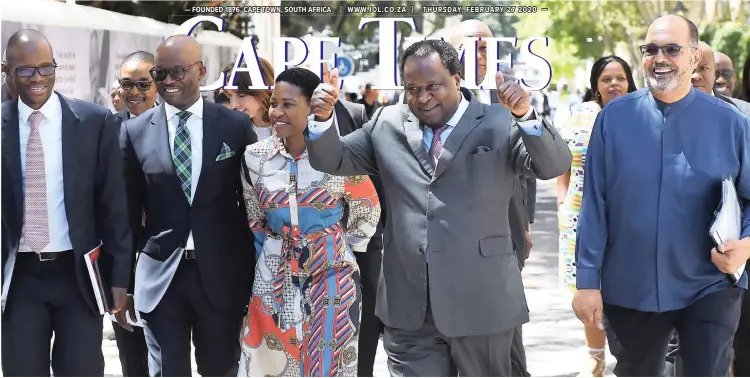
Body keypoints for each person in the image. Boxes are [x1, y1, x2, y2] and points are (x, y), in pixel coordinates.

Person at [306, 39, 572, 376]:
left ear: (457, 79)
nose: (422, 97)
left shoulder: (498, 121)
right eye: (413, 89)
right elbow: (332, 158)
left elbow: (552, 164)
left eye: (433, 86)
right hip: (409, 305)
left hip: (482, 301)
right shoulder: (387, 123)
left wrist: (526, 116)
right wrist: (321, 118)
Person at [572, 15, 750, 377]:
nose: (660, 57)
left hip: (710, 283)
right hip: (630, 285)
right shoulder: (614, 118)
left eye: (672, 48)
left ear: (694, 55)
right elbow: (594, 203)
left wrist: (746, 245)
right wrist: (587, 282)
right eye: (651, 49)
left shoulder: (731, 123)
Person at [119, 34, 257, 376]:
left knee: (221, 369)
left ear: (202, 71)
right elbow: (124, 215)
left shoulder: (235, 126)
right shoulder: (134, 132)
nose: (167, 82)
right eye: (160, 74)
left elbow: (255, 205)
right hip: (160, 279)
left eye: (177, 72)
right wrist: (120, 282)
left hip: (222, 277)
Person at [0, 29, 132, 376]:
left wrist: (119, 278)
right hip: (19, 280)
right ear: (6, 71)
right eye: (26, 70)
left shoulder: (93, 121)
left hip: (78, 276)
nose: (38, 78)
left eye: (46, 67)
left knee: (82, 370)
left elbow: (113, 206)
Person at [238, 66, 381, 377]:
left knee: (327, 367)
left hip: (332, 278)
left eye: (287, 104)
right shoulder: (253, 157)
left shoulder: (338, 155)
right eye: (274, 103)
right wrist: (276, 249)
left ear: (310, 107)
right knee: (273, 365)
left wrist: (339, 249)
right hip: (272, 278)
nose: (276, 112)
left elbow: (366, 208)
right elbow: (255, 215)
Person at [447, 19, 537, 376]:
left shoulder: (507, 99)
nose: (483, 55)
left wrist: (523, 225)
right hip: (450, 248)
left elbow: (523, 165)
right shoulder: (422, 100)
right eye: (474, 46)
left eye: (488, 47)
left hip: (505, 240)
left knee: (507, 343)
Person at [557, 55, 637, 377]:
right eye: (606, 79)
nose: (614, 84)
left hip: (626, 218)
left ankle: (631, 355)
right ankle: (595, 356)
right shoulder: (579, 115)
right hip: (579, 215)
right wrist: (562, 200)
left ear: (630, 82)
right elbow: (563, 158)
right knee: (588, 287)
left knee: (624, 287)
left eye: (620, 78)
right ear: (596, 87)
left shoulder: (641, 114)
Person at [309, 61, 386, 377]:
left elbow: (374, 179)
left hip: (363, 243)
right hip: (314, 251)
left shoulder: (355, 115)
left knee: (364, 323)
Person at [109, 50, 159, 378]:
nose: (135, 91)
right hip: (123, 263)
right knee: (132, 359)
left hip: (170, 261)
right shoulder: (104, 131)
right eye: (128, 84)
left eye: (144, 83)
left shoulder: (175, 128)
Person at [221, 58, 275, 139]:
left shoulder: (290, 126)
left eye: (241, 95)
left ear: (263, 91)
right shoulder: (232, 129)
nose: (234, 104)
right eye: (230, 95)